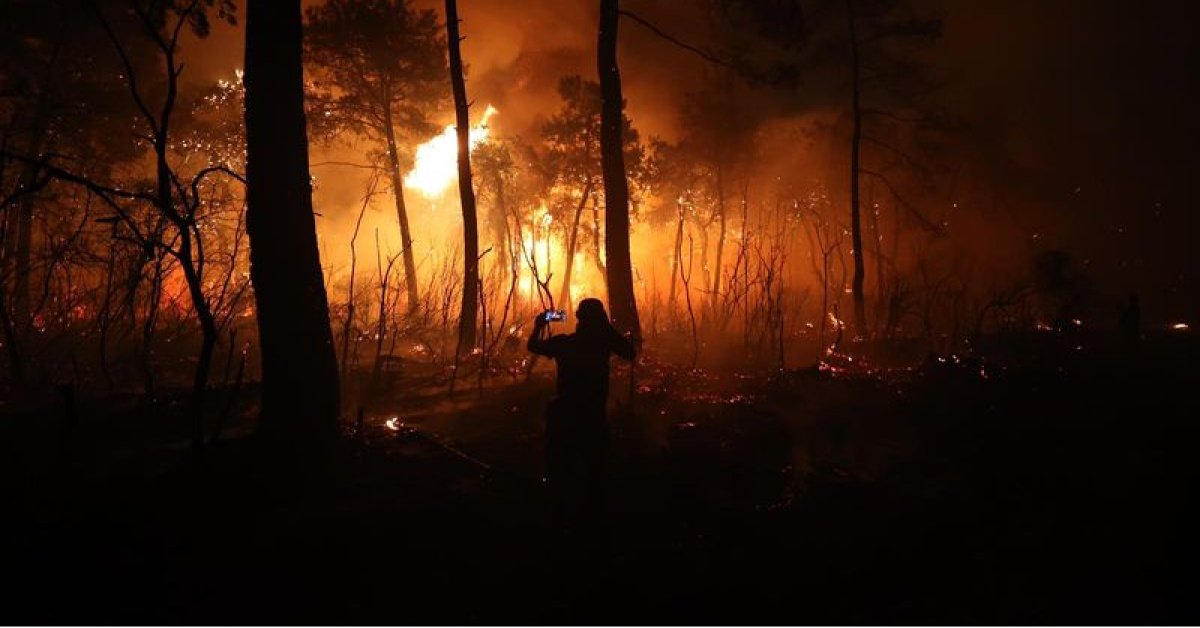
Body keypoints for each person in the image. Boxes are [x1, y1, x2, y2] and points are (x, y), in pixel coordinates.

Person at [527, 298, 635, 534]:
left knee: (560, 476)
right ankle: (592, 526)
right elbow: (630, 352)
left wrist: (540, 325)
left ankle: (558, 525)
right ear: (601, 320)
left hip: (565, 418)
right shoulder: (603, 344)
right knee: (594, 475)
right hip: (592, 419)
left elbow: (533, 346)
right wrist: (607, 329)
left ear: (579, 319)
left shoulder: (565, 344)